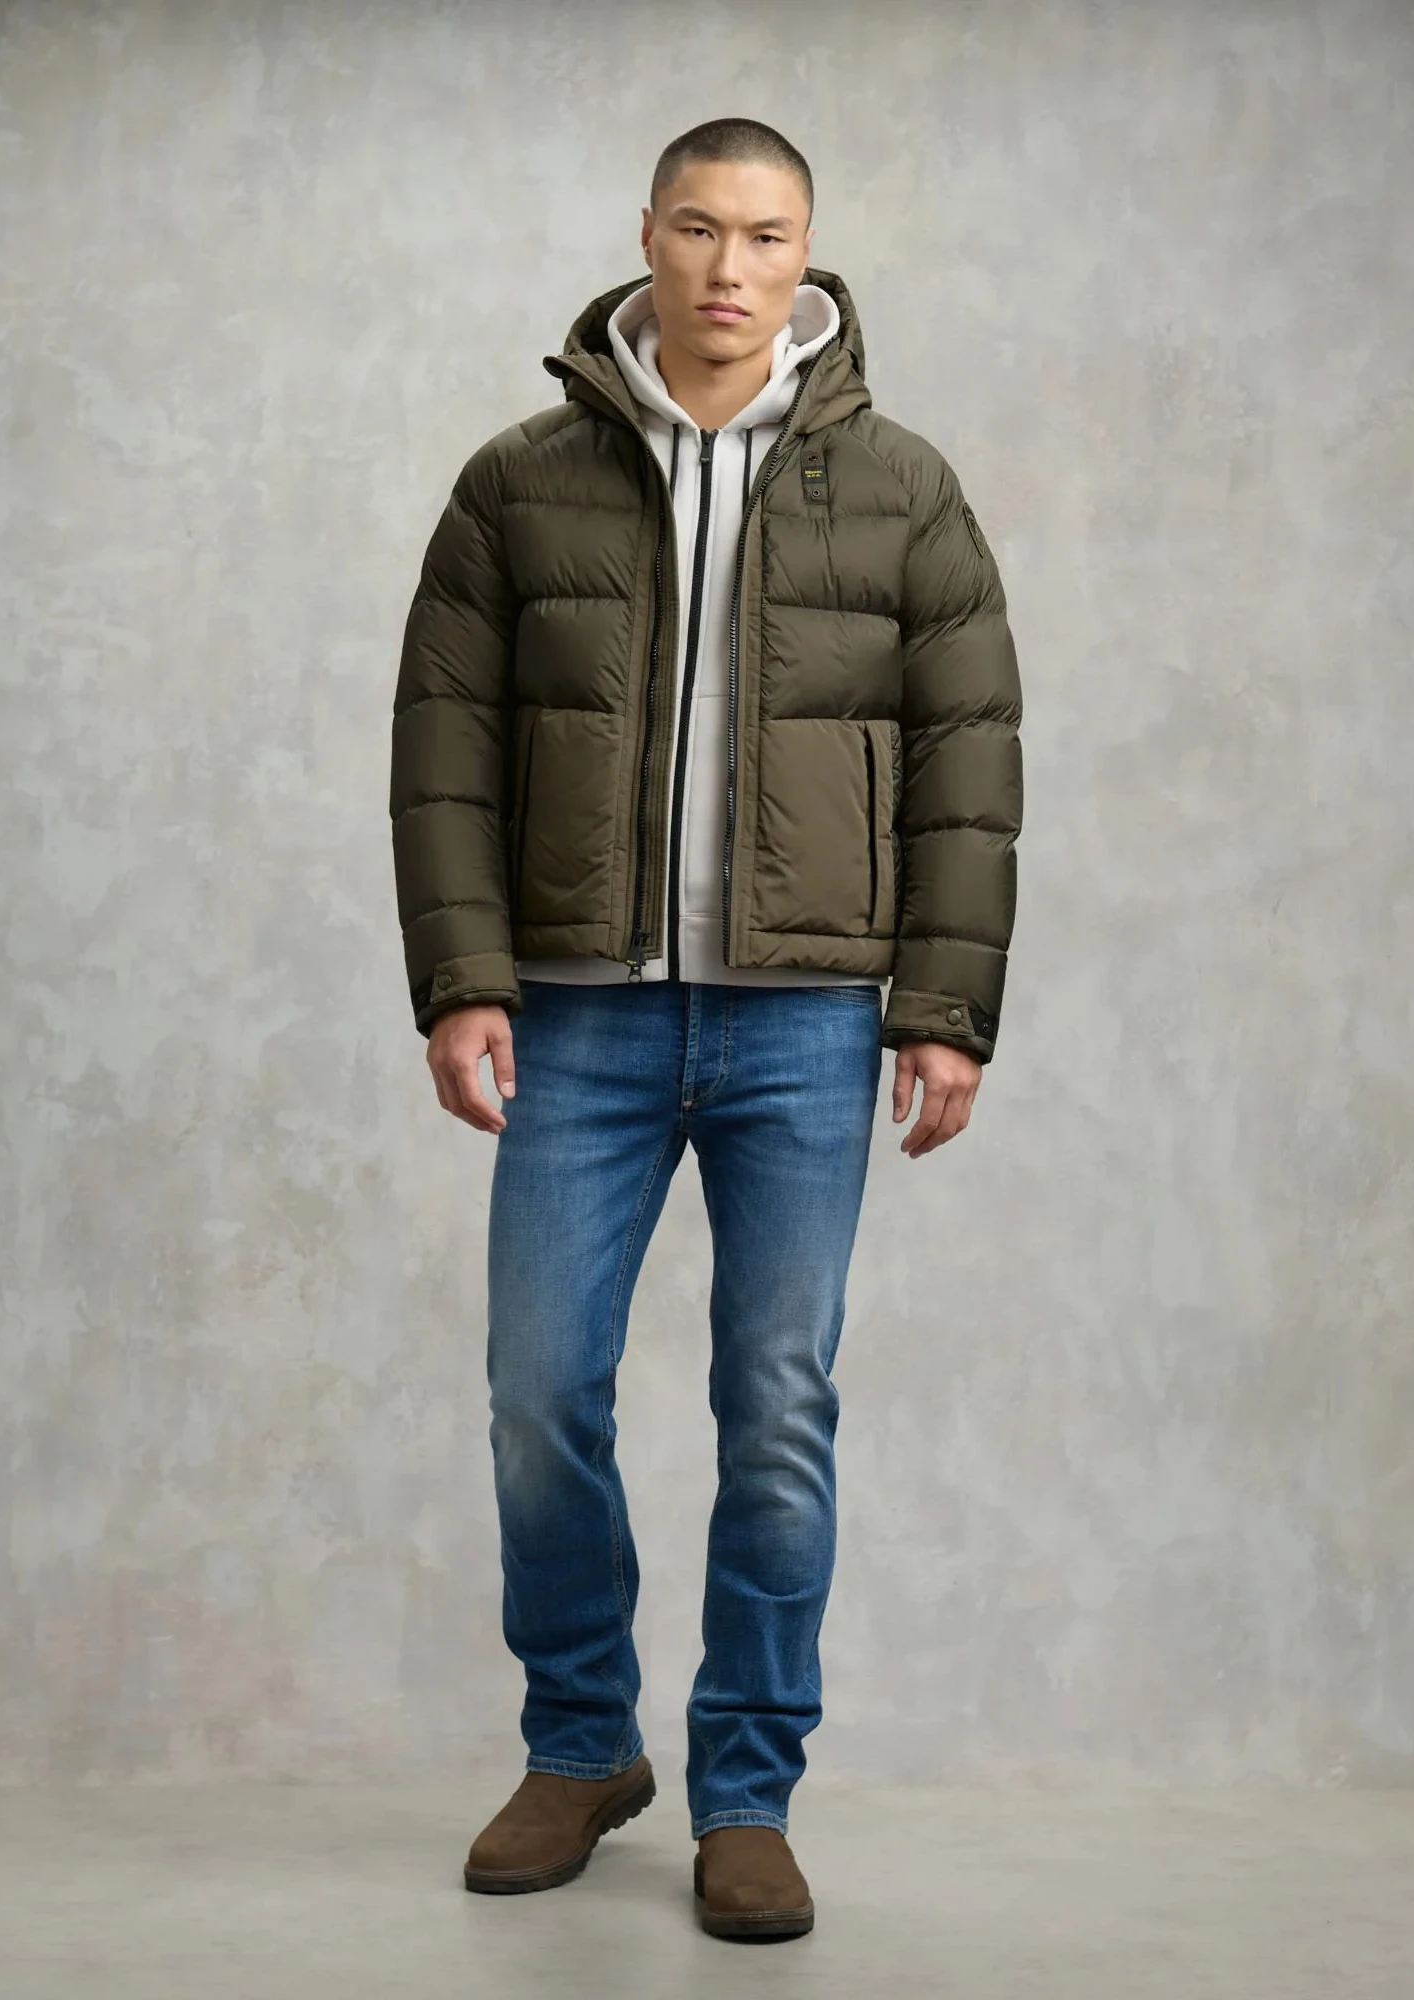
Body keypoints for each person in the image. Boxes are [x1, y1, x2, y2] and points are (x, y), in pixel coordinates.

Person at [388, 115, 1023, 1943]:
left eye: (764, 235)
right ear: (648, 236)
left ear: (806, 255)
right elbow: (445, 743)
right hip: (577, 1019)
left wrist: (944, 1009)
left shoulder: (904, 489)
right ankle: (583, 1745)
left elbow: (969, 759)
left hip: (806, 1026)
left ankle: (748, 1792)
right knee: (537, 1394)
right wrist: (465, 976)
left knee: (778, 1407)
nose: (729, 268)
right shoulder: (518, 484)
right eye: (697, 227)